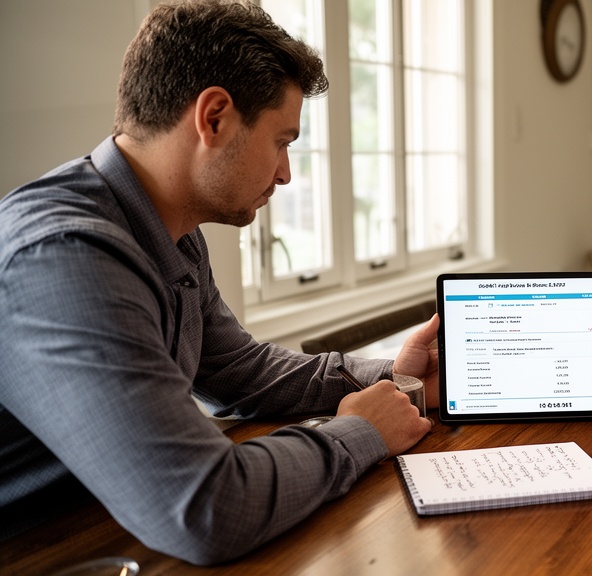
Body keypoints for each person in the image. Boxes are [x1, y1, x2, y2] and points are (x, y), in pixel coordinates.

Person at [0, 0, 436, 565]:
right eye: (282, 141)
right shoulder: (64, 257)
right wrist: (358, 433)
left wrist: (398, 376)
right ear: (214, 118)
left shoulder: (170, 231)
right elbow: (207, 506)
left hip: (115, 533)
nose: (283, 173)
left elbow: (242, 373)